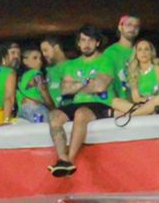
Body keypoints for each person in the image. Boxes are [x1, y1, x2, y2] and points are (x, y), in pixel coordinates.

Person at [46, 26, 114, 177]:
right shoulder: (71, 64)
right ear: (78, 43)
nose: (86, 44)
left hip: (99, 103)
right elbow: (65, 89)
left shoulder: (105, 61)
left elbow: (100, 86)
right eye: (83, 40)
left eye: (90, 40)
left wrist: (76, 85)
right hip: (76, 103)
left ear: (97, 43)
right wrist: (88, 83)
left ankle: (69, 161)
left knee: (81, 114)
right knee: (53, 116)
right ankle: (62, 157)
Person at [114, 39, 159, 117]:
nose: (143, 53)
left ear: (151, 52)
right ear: (136, 54)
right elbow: (136, 98)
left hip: (156, 102)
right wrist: (145, 103)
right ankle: (144, 112)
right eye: (140, 50)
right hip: (141, 104)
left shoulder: (158, 68)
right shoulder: (134, 72)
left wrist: (150, 101)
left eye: (146, 49)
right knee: (115, 102)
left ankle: (130, 115)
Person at [101, 14, 141, 100]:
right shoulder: (110, 53)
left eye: (136, 26)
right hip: (120, 104)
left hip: (142, 101)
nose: (132, 28)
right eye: (129, 25)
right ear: (120, 27)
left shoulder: (141, 51)